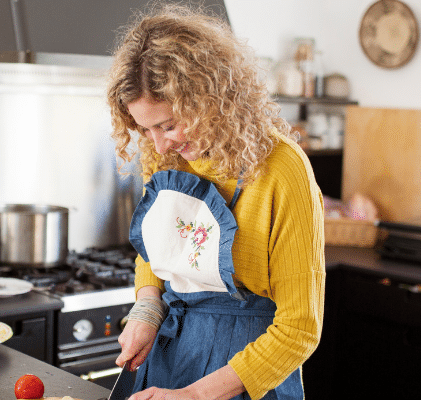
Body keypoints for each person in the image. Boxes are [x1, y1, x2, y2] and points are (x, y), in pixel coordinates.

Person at [106, 4, 326, 400]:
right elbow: (157, 248)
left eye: (168, 125)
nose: (158, 144)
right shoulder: (166, 156)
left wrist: (195, 395)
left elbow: (300, 329)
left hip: (244, 374)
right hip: (169, 358)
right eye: (146, 129)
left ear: (210, 99)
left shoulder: (282, 169)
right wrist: (148, 305)